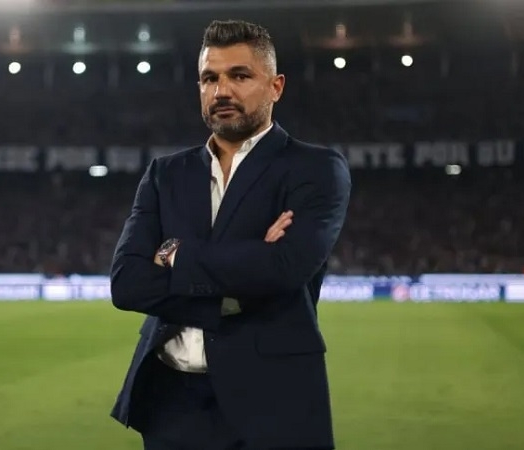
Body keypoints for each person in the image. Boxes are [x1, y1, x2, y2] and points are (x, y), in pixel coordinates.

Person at [109, 19, 351, 450]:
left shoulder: (315, 169)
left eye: (239, 76)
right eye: (210, 78)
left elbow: (284, 269)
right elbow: (127, 283)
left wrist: (175, 254)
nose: (221, 91)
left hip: (273, 401)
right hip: (170, 404)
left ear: (276, 86)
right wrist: (245, 270)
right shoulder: (166, 174)